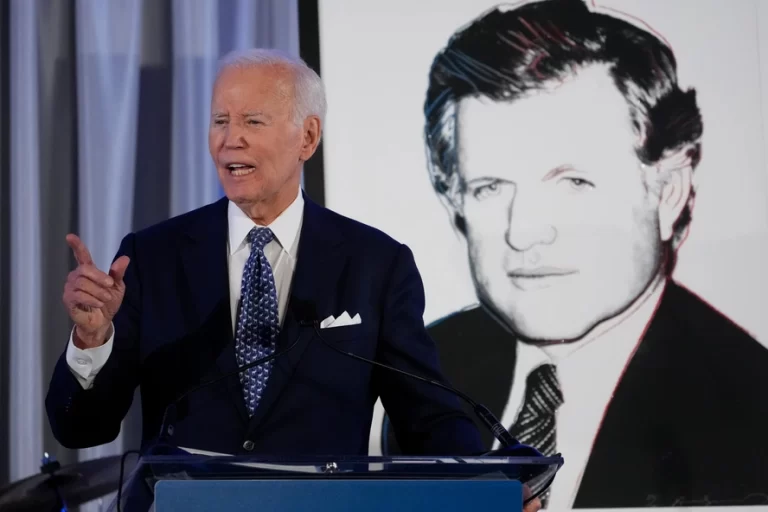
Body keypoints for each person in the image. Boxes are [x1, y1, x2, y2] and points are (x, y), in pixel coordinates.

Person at [45, 48, 543, 512]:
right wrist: (93, 340)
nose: (229, 138)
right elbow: (80, 428)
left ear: (307, 137)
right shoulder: (152, 257)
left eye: (252, 122)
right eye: (220, 121)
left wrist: (486, 493)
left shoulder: (374, 264)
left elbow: (427, 417)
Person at [379, 0, 768, 508]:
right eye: (490, 187)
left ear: (668, 191)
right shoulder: (426, 372)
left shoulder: (749, 408)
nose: (524, 232)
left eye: (574, 182)